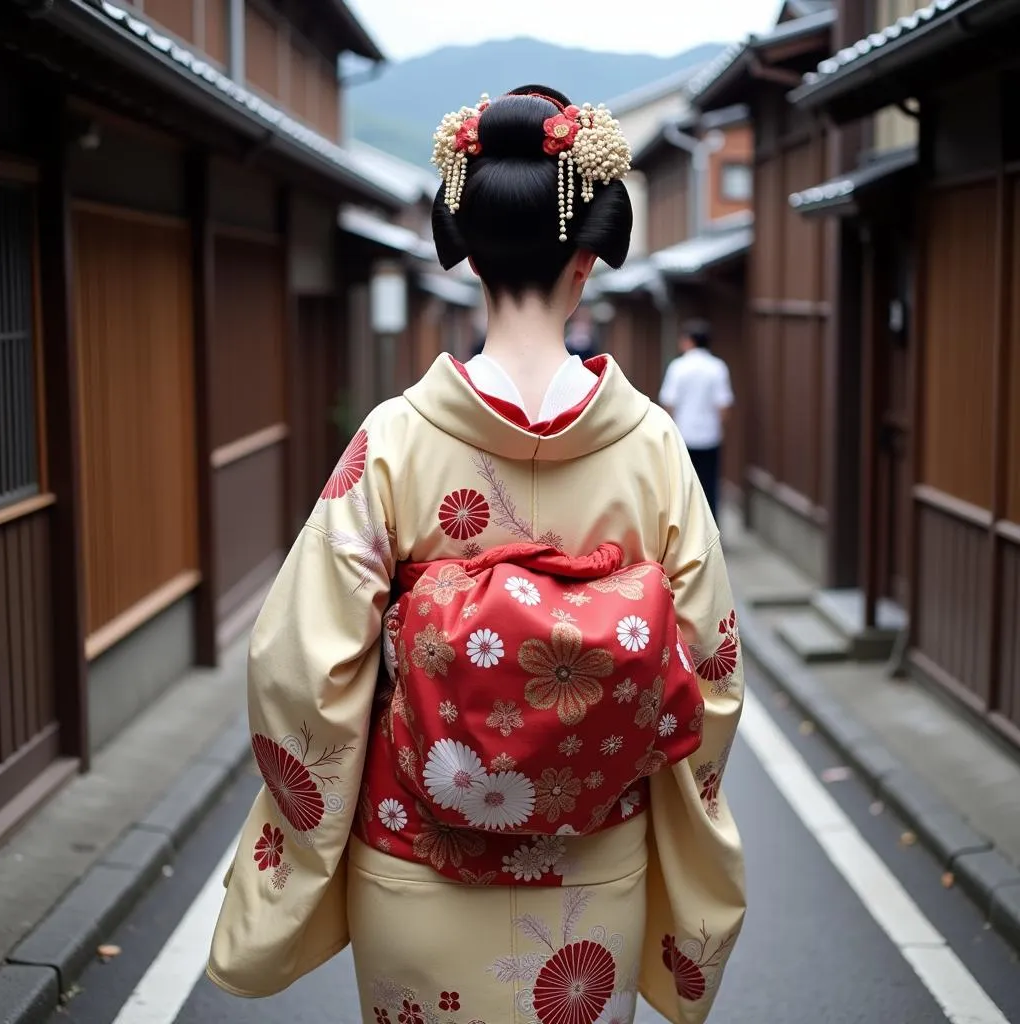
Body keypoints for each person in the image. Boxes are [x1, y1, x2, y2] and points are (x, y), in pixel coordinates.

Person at [208, 86, 745, 1024]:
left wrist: (305, 844)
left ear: (466, 255)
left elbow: (301, 665)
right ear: (590, 261)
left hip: (415, 869)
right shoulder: (653, 446)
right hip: (592, 878)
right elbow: (709, 674)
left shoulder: (395, 441)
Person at [658, 321, 734, 520]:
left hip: (683, 435)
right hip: (710, 436)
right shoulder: (718, 367)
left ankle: (685, 531)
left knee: (683, 486)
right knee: (710, 486)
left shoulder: (678, 366)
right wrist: (720, 427)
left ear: (688, 341)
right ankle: (711, 533)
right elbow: (724, 405)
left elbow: (668, 402)